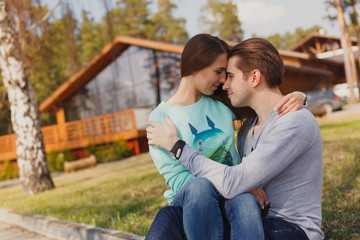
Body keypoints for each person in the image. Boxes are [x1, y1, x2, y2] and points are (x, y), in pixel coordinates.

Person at [147, 38, 323, 240]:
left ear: (254, 77)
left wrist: (178, 147)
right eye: (221, 73)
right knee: (171, 214)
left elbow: (235, 181)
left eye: (229, 75)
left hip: (286, 227)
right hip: (234, 211)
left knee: (240, 201)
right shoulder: (247, 127)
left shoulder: (292, 121)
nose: (224, 83)